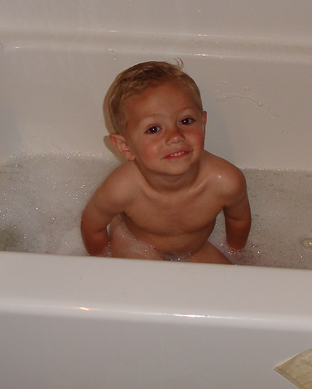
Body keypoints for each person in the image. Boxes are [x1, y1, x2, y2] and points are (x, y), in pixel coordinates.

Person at [80, 61, 251, 264]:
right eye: (153, 129)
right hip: (136, 243)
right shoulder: (122, 188)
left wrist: (236, 252)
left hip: (195, 248)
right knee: (142, 290)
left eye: (185, 121)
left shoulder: (225, 181)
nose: (175, 136)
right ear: (125, 147)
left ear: (203, 124)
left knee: (231, 287)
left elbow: (238, 221)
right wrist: (100, 262)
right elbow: (92, 225)